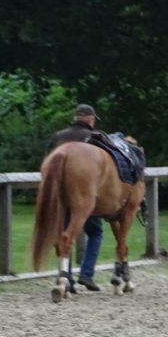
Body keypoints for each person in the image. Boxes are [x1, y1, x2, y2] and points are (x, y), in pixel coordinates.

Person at [47, 103, 104, 291]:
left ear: (75, 118)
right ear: (90, 119)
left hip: (60, 196)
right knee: (95, 231)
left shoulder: (57, 137)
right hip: (85, 196)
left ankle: (67, 276)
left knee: (65, 229)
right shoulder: (94, 138)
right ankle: (86, 274)